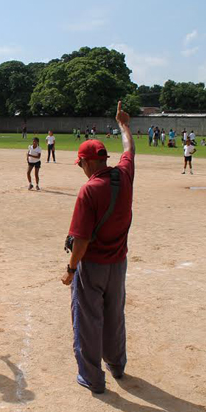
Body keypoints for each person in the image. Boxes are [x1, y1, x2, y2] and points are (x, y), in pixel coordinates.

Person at [61, 101, 135, 394]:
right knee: (114, 314)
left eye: (80, 163)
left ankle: (92, 377)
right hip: (118, 263)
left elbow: (81, 240)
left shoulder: (89, 189)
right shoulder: (124, 175)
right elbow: (129, 150)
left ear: (89, 163)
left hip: (92, 266)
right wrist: (123, 125)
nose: (80, 168)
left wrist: (70, 270)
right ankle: (117, 365)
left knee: (88, 320)